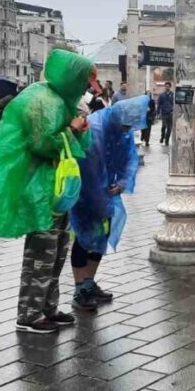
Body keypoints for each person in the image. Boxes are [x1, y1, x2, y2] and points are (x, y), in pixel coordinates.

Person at [0, 48, 97, 334]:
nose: (86, 87)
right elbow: (43, 143)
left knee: (57, 249)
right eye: (84, 79)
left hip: (53, 188)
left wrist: (76, 131)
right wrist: (72, 131)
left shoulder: (57, 98)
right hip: (39, 189)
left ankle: (47, 307)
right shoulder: (42, 100)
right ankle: (29, 315)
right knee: (42, 252)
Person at [69, 95, 149, 310]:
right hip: (86, 193)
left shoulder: (120, 129)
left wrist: (122, 182)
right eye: (125, 125)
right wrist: (100, 199)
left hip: (106, 191)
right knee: (83, 238)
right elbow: (91, 169)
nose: (127, 130)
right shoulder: (95, 129)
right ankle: (79, 290)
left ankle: (89, 282)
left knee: (100, 237)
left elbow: (130, 158)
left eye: (130, 126)